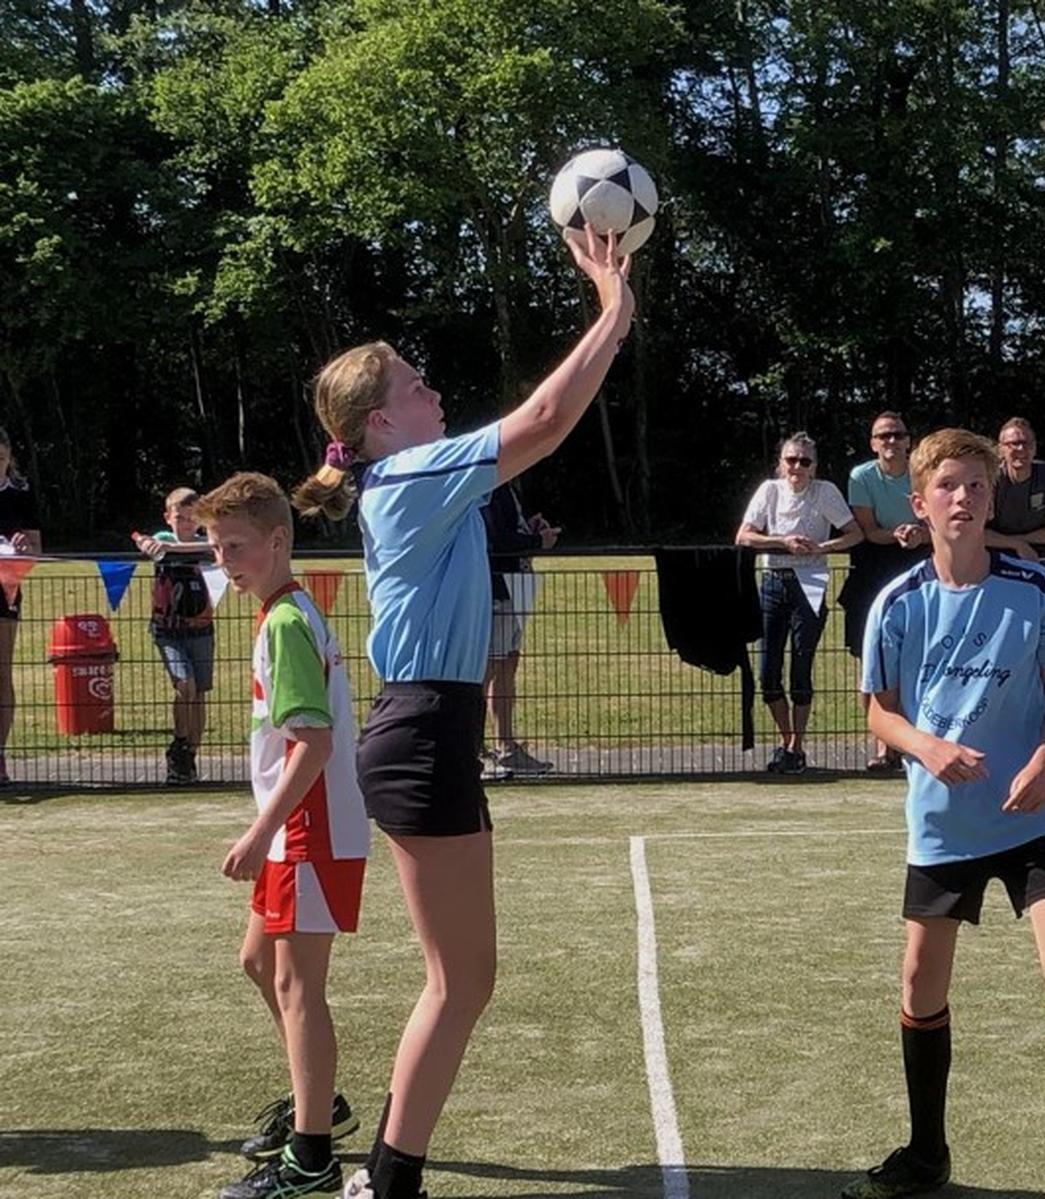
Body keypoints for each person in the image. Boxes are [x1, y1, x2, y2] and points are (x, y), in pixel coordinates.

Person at [291, 227, 635, 1199]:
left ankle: (388, 1173)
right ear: (380, 421)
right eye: (416, 384)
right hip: (420, 735)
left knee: (465, 978)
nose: (434, 391)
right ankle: (386, 1178)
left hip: (429, 730)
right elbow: (544, 420)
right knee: (459, 980)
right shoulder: (409, 475)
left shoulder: (409, 477)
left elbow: (534, 428)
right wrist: (612, 309)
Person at [847, 427, 1045, 1199]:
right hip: (944, 818)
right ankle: (926, 1151)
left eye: (977, 485)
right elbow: (879, 712)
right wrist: (927, 746)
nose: (964, 497)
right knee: (920, 979)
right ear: (919, 503)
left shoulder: (1033, 587)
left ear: (991, 499)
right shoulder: (896, 604)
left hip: (1031, 813)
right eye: (948, 485)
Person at [201, 472, 368, 1199]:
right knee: (258, 962)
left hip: (310, 829)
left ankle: (312, 1156)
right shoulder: (282, 613)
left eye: (235, 546)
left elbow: (314, 745)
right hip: (295, 830)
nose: (225, 561)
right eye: (216, 548)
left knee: (298, 984)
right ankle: (318, 1100)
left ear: (277, 541)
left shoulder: (287, 623)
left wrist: (259, 829)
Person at [735, 432, 862, 773]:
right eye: (791, 460)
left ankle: (796, 747)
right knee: (768, 673)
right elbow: (744, 535)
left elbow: (854, 533)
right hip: (773, 583)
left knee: (801, 669)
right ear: (781, 463)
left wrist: (822, 548)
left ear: (814, 466)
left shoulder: (825, 492)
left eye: (805, 461)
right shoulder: (769, 491)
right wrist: (782, 542)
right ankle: (786, 737)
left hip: (811, 585)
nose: (797, 467)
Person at [844, 411, 928, 772]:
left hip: (923, 561)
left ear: (908, 441)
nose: (891, 441)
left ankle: (920, 741)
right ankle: (883, 746)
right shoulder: (861, 477)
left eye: (897, 434)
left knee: (921, 654)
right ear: (873, 443)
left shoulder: (923, 472)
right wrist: (898, 534)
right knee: (871, 658)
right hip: (875, 566)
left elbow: (936, 519)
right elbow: (868, 530)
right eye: (883, 436)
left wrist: (920, 534)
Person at [133, 487, 217, 785]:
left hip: (201, 628)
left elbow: (213, 549)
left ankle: (189, 756)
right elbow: (149, 544)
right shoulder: (162, 539)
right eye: (179, 517)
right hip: (168, 630)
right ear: (168, 518)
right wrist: (147, 543)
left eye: (191, 518)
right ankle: (180, 743)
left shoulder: (207, 543)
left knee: (200, 693)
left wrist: (174, 549)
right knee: (185, 685)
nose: (185, 524)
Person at [480, 479, 559, 778]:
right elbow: (498, 541)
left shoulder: (504, 486)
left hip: (514, 586)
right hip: (499, 588)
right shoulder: (490, 487)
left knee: (506, 662)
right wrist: (537, 541)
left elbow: (507, 532)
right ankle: (487, 748)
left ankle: (502, 746)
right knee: (492, 667)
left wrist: (529, 528)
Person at [0, 428, 42, 787]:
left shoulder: (21, 496)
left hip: (5, 591)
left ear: (9, 458)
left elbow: (37, 551)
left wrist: (24, 547)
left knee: (2, 673)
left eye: (0, 458)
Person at [984, 417, 1045, 563]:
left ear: (1035, 448)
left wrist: (1016, 542)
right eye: (1014, 443)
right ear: (1001, 450)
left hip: (1037, 558)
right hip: (992, 559)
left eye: (1027, 443)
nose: (1021, 449)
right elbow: (977, 533)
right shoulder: (989, 478)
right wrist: (1018, 545)